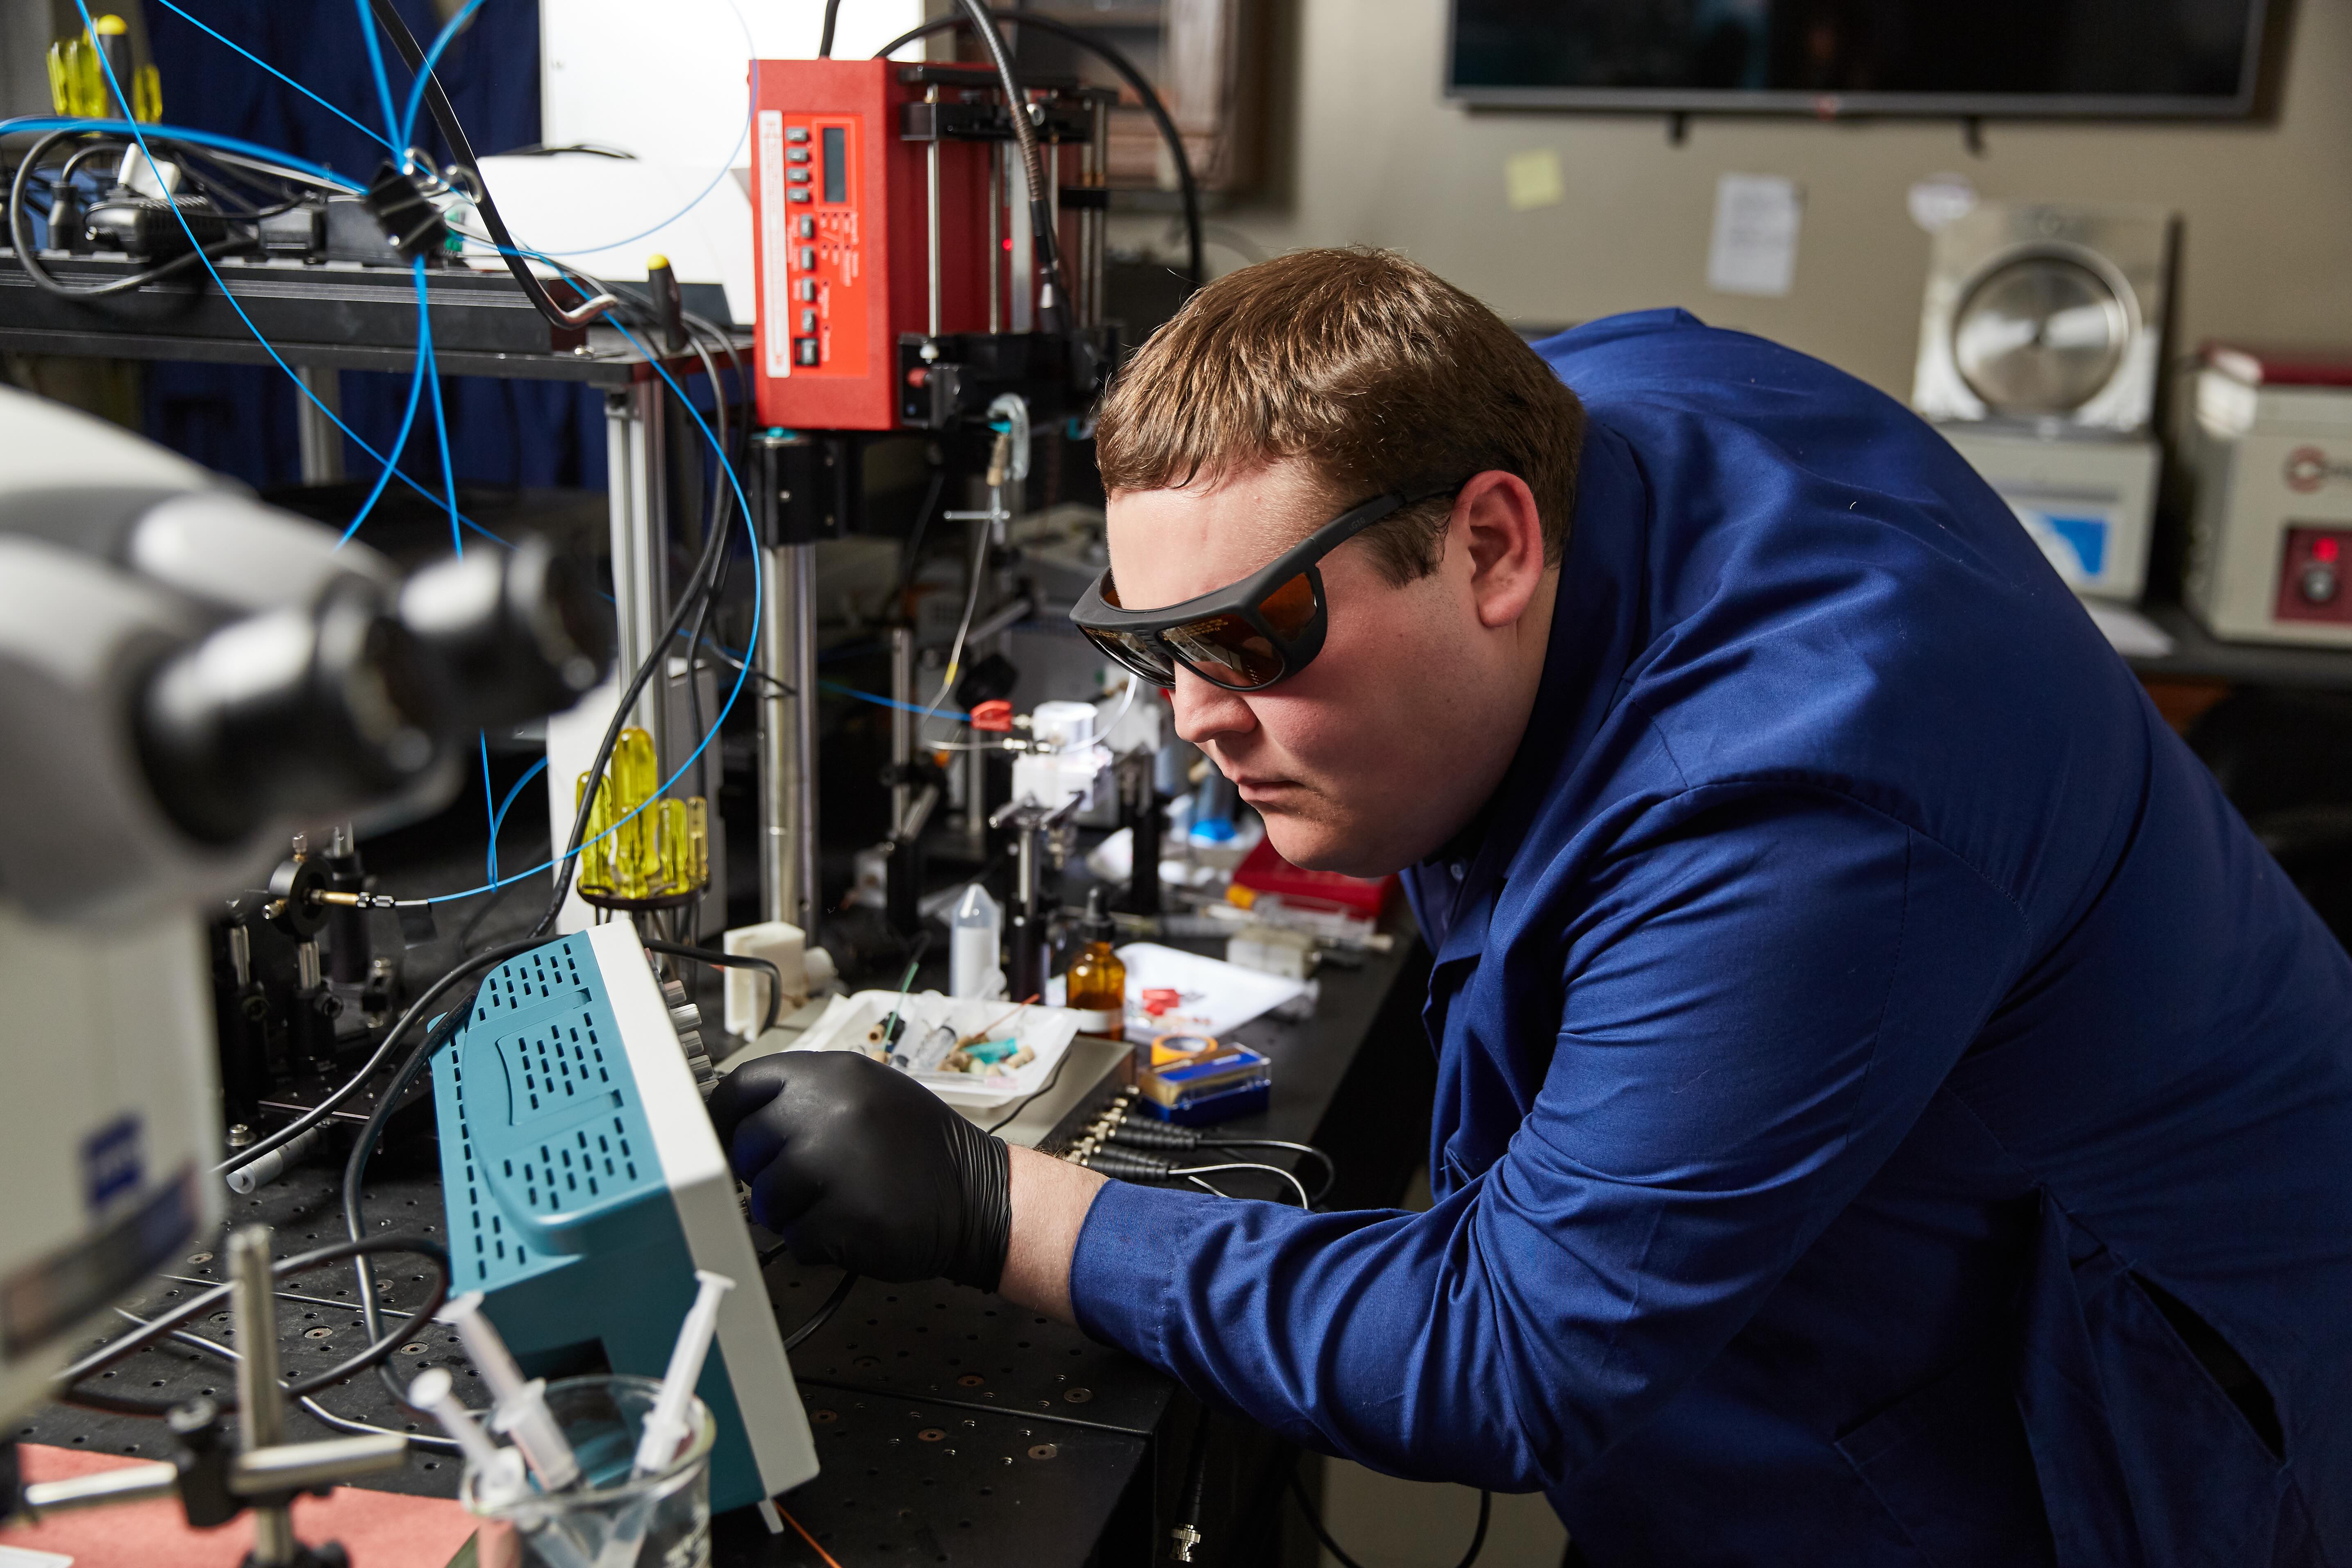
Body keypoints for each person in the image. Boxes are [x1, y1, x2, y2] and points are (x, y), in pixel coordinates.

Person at [707, 249, 2352, 1563]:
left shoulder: (1795, 799)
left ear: (1491, 542)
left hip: (2090, 1411)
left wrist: (998, 1206)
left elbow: (1506, 1357)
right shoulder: (1584, 406)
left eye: (1257, 638)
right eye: (1155, 646)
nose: (1197, 718)